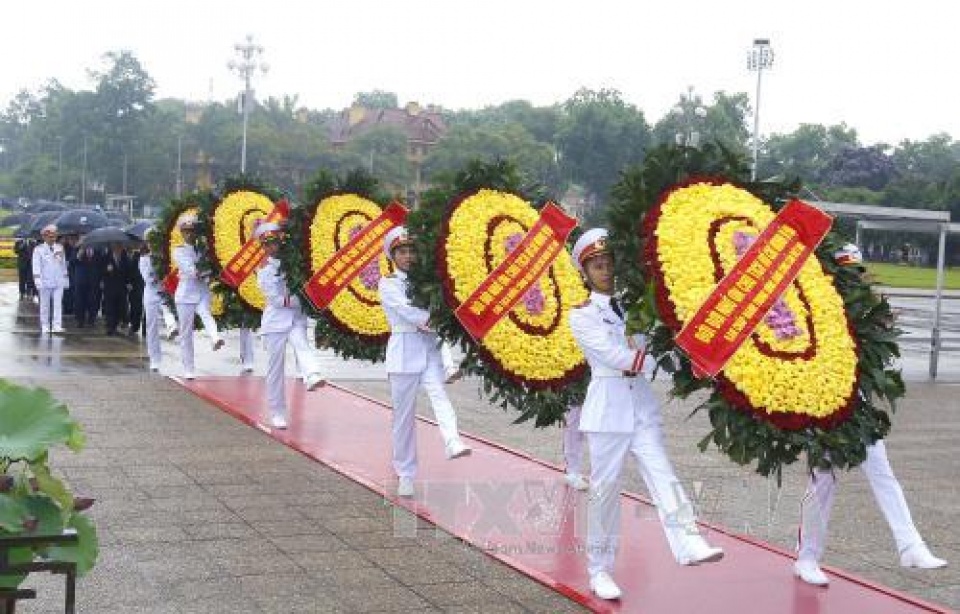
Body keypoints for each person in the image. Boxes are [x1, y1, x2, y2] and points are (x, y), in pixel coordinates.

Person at [568, 228, 723, 601]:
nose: (605, 271)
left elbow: (655, 344)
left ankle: (689, 539)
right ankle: (599, 570)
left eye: (609, 264)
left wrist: (677, 357)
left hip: (640, 406)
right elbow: (614, 356)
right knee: (605, 492)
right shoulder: (583, 316)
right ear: (585, 273)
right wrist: (660, 360)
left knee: (662, 471)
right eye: (597, 266)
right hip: (607, 410)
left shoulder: (636, 308)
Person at [794, 244, 948, 586]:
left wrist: (880, 323)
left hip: (859, 404)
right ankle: (806, 557)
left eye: (857, 270)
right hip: (824, 407)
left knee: (882, 472)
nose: (855, 278)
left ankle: (910, 545)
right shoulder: (814, 309)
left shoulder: (865, 308)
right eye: (848, 271)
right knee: (823, 482)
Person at [379, 226, 471, 498]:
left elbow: (438, 308)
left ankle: (453, 440)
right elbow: (410, 313)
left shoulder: (428, 282)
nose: (408, 257)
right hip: (404, 353)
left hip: (429, 350)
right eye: (402, 252)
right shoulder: (388, 284)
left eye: (411, 251)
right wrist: (437, 320)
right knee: (403, 418)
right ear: (393, 256)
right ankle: (405, 472)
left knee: (439, 395)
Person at [253, 222, 325, 429]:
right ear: (263, 247)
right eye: (268, 245)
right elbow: (276, 300)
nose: (272, 248)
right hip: (276, 322)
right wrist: (303, 299)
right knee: (276, 369)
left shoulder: (294, 262)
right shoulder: (264, 270)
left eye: (275, 243)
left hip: (295, 319)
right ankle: (277, 412)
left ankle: (312, 374)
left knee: (302, 344)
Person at [172, 216, 224, 379]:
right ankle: (189, 368)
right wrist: (206, 272)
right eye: (186, 231)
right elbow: (191, 271)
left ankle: (215, 338)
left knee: (206, 313)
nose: (189, 234)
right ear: (181, 232)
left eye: (192, 231)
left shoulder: (202, 249)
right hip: (186, 294)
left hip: (201, 291)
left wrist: (213, 274)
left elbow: (208, 267)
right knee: (186, 333)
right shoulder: (178, 250)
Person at [139, 229, 178, 371]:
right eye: (149, 241)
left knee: (168, 310)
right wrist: (157, 271)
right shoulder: (143, 259)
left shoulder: (163, 256)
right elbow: (148, 279)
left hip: (163, 290)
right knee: (151, 327)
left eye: (153, 241)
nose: (151, 244)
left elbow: (170, 272)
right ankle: (154, 359)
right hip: (150, 293)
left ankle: (172, 328)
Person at [32, 224, 69, 335]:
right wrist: (38, 282)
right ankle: (45, 325)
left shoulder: (60, 248)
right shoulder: (38, 249)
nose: (53, 238)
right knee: (45, 305)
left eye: (54, 236)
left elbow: (63, 265)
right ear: (44, 237)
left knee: (58, 304)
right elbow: (36, 266)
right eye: (50, 236)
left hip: (58, 280)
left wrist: (65, 280)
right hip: (45, 281)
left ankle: (57, 325)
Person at [100, 243, 130, 336]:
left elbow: (128, 271)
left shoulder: (125, 257)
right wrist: (106, 270)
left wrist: (128, 283)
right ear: (113, 248)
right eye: (116, 247)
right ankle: (110, 327)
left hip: (121, 287)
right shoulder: (106, 257)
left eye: (120, 247)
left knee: (120, 307)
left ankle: (118, 324)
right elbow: (100, 270)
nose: (118, 249)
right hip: (110, 287)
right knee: (110, 308)